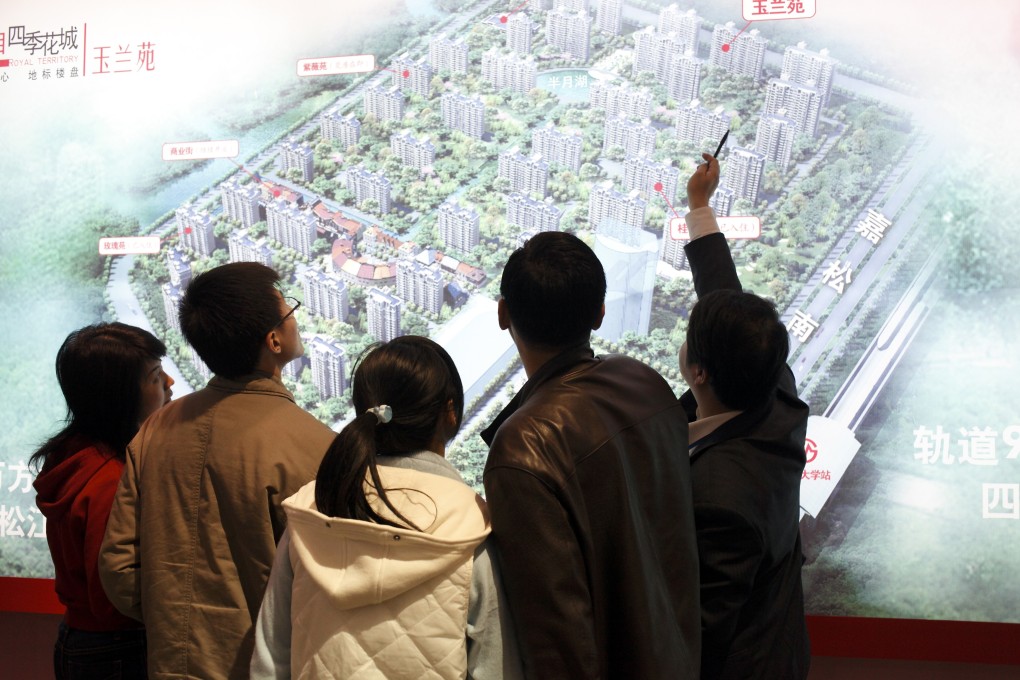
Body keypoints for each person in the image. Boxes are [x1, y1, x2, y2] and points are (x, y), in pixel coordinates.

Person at [100, 262, 336, 680]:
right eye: (289, 309)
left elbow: (119, 567)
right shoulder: (316, 445)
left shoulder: (158, 427)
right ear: (274, 340)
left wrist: (174, 621)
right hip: (270, 665)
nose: (295, 317)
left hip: (172, 663)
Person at [480, 231, 700, 678]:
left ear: (503, 314)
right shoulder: (646, 384)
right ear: (599, 314)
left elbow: (556, 635)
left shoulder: (523, 445)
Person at [251, 336, 522, 679]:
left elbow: (269, 661)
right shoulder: (472, 529)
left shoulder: (311, 514)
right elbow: (495, 667)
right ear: (450, 412)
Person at [680, 153, 811, 679]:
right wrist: (699, 208)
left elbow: (704, 628)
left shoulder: (719, 494)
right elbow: (726, 301)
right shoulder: (776, 395)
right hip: (782, 641)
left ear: (700, 372)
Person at [31, 322, 174, 679]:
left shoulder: (75, 454)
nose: (169, 383)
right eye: (155, 377)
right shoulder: (110, 480)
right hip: (117, 647)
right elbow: (113, 596)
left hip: (87, 640)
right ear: (120, 395)